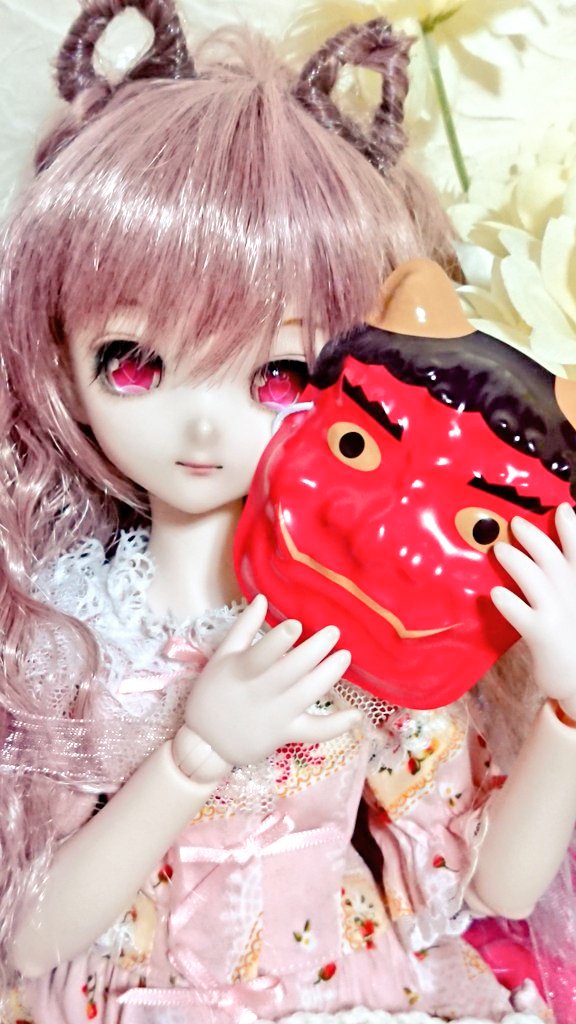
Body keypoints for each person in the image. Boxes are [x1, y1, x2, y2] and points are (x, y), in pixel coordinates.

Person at [0, 1, 564, 1022]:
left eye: (279, 375)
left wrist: (567, 711)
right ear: (58, 357)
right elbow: (31, 933)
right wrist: (195, 754)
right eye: (133, 361)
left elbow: (491, 890)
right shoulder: (64, 635)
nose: (201, 425)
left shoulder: (367, 633)